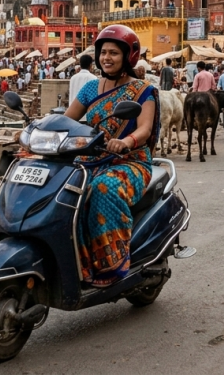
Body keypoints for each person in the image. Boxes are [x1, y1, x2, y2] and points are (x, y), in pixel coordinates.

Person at [63, 24, 158, 287]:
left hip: (131, 162)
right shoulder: (90, 89)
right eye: (103, 52)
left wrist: (125, 142)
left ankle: (111, 262)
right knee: (65, 188)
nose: (107, 58)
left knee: (103, 188)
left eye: (114, 53)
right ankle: (77, 260)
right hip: (92, 158)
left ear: (128, 57)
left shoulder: (143, 90)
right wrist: (35, 130)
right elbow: (67, 120)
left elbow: (145, 129)